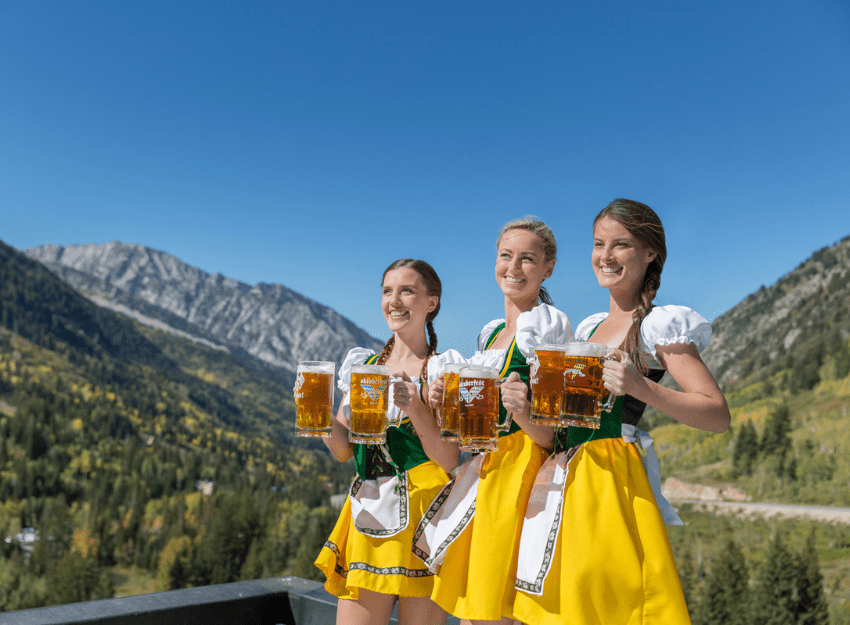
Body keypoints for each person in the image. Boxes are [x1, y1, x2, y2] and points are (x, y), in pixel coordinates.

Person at [512, 199, 731, 624]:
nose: (606, 256)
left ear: (650, 253)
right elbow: (555, 431)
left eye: (621, 245)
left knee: (607, 606)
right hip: (564, 478)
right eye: (599, 244)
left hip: (612, 481)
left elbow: (716, 414)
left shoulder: (655, 325)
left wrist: (639, 386)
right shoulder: (588, 328)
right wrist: (523, 410)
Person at [415, 217, 573, 625]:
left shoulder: (548, 329)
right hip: (486, 470)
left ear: (548, 267)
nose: (514, 268)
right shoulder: (492, 335)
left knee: (496, 612)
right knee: (477, 610)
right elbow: (475, 425)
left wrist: (521, 410)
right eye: (506, 256)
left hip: (524, 475)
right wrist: (440, 404)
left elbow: (553, 435)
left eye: (527, 259)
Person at [313, 259, 460, 625]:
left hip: (428, 518)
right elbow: (344, 450)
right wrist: (317, 416)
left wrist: (417, 408)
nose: (394, 301)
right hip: (369, 512)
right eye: (387, 291)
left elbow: (448, 458)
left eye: (407, 290)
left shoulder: (444, 370)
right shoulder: (364, 366)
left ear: (431, 303)